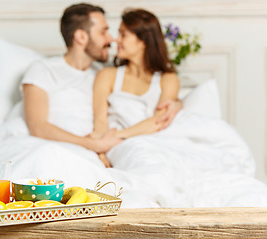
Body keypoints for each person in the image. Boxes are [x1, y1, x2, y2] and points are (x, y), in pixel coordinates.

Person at [22, 3, 182, 168]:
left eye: (121, 34)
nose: (112, 39)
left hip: (103, 144)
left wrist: (177, 104)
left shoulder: (100, 71)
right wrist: (96, 146)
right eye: (103, 32)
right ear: (81, 37)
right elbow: (38, 127)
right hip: (76, 147)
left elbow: (157, 110)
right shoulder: (44, 70)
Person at [93, 8, 179, 143]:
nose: (117, 40)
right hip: (114, 146)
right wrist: (102, 150)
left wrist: (115, 136)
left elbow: (158, 122)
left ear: (143, 41)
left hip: (151, 143)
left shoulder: (168, 80)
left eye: (123, 34)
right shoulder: (107, 76)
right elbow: (100, 122)